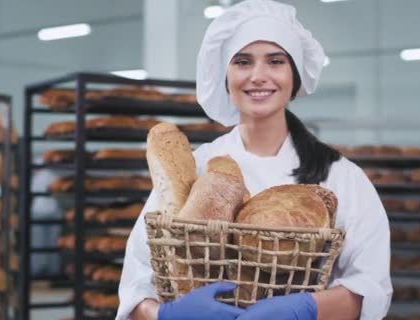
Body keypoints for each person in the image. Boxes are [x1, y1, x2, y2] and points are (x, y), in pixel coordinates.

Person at [116, 0, 392, 319]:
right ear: (225, 75)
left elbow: (371, 289)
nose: (258, 76)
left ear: (295, 75)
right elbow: (135, 289)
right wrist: (166, 314)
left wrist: (307, 309)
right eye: (243, 62)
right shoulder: (198, 169)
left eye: (275, 62)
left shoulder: (341, 177)